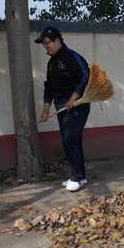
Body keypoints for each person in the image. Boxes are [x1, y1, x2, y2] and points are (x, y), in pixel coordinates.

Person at [35, 26, 90, 192]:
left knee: (69, 140)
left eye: (47, 43)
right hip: (61, 106)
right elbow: (49, 88)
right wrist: (46, 110)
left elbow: (85, 77)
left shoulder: (72, 57)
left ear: (57, 40)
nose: (46, 46)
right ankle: (80, 177)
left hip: (77, 106)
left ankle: (75, 178)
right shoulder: (51, 63)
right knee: (74, 141)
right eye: (44, 44)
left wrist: (73, 99)